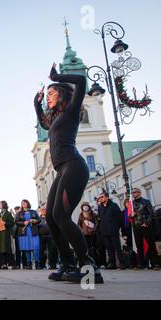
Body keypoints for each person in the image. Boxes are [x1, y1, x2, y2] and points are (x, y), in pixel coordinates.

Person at [34, 63, 103, 283]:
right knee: (52, 218)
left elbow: (81, 82)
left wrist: (58, 76)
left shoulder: (72, 110)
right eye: (48, 95)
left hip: (74, 167)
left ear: (62, 93)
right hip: (62, 170)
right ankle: (68, 265)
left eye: (53, 93)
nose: (49, 97)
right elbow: (45, 124)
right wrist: (36, 105)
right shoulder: (55, 119)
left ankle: (89, 267)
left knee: (62, 216)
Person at [130, 187, 159, 270]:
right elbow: (129, 216)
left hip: (145, 225)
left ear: (139, 193)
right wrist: (131, 215)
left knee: (151, 244)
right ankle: (141, 264)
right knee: (139, 246)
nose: (133, 194)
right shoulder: (131, 204)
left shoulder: (146, 202)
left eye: (135, 192)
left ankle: (156, 263)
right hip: (136, 226)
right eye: (132, 193)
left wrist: (146, 222)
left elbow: (152, 214)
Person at [97, 192, 126, 270]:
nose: (100, 198)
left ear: (107, 197)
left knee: (117, 247)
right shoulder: (100, 207)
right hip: (104, 231)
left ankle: (122, 263)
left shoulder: (114, 206)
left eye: (102, 197)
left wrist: (119, 228)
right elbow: (100, 219)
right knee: (109, 248)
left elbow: (120, 218)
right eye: (99, 197)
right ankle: (112, 263)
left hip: (113, 230)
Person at [15, 200, 41, 269]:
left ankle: (37, 264)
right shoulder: (19, 213)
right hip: (24, 232)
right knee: (27, 249)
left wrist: (34, 220)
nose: (23, 204)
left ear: (28, 203)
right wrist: (23, 222)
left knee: (36, 248)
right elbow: (16, 222)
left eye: (24, 202)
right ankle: (29, 264)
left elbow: (39, 220)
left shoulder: (33, 212)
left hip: (33, 232)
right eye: (22, 203)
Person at [77, 203, 101, 267]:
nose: (85, 208)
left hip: (93, 234)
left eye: (86, 207)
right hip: (85, 234)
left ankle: (96, 262)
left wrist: (93, 229)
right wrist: (81, 230)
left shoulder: (93, 214)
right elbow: (79, 224)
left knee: (93, 248)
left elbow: (96, 223)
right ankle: (87, 262)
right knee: (86, 248)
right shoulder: (81, 215)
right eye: (84, 207)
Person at [0, 201, 15, 270]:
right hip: (0, 233)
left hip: (6, 233)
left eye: (0, 204)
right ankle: (3, 264)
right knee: (1, 249)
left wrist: (5, 223)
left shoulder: (8, 213)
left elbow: (12, 223)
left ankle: (10, 263)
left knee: (7, 249)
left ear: (3, 205)